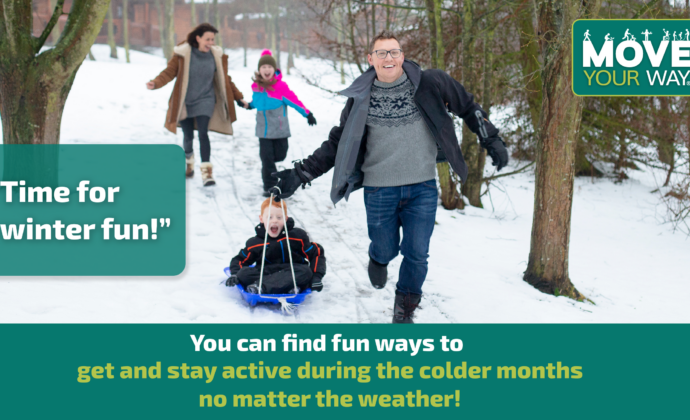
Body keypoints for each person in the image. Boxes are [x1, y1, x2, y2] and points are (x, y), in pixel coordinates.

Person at [271, 31, 509, 323]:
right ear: (370, 59)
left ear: (402, 56)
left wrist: (491, 139)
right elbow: (339, 142)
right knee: (385, 247)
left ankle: (405, 305)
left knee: (417, 252)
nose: (389, 58)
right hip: (379, 190)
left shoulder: (430, 83)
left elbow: (468, 106)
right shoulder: (361, 98)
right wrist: (301, 172)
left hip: (422, 186)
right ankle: (379, 258)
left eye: (394, 52)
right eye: (381, 53)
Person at [146, 23, 248, 187]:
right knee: (188, 135)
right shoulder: (183, 54)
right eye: (208, 39)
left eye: (213, 39)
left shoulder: (215, 56)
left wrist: (238, 98)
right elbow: (169, 72)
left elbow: (225, 79)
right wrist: (155, 83)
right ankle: (189, 162)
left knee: (203, 134)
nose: (211, 43)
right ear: (198, 38)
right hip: (185, 102)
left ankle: (207, 172)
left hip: (206, 100)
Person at [244, 50, 317, 196]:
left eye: (269, 67)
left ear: (274, 69)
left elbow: (294, 101)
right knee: (266, 159)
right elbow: (256, 102)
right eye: (263, 67)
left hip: (279, 129)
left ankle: (274, 172)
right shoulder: (256, 87)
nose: (266, 70)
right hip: (263, 131)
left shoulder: (280, 87)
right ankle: (269, 186)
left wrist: (307, 114)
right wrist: (249, 105)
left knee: (280, 156)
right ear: (259, 70)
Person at [226, 197, 326, 294]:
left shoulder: (297, 236)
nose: (274, 221)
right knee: (243, 273)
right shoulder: (255, 243)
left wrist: (316, 276)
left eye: (279, 217)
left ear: (286, 219)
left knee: (305, 272)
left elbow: (316, 253)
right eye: (269, 217)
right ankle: (288, 287)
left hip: (291, 270)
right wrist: (235, 274)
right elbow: (240, 259)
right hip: (266, 272)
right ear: (261, 219)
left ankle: (262, 287)